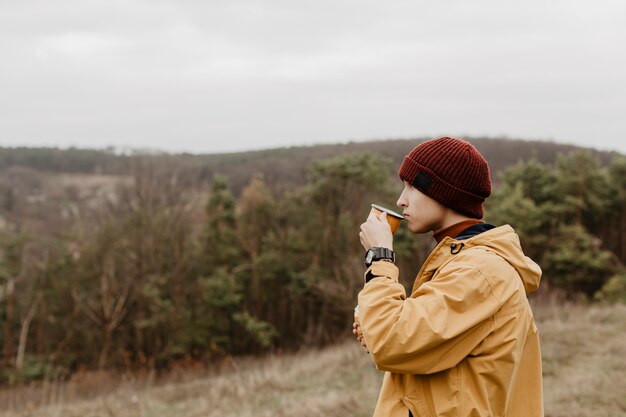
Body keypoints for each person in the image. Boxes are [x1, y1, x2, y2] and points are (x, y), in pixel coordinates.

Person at [354, 137, 543, 417]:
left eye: (413, 187)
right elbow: (423, 345)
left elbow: (392, 341)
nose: (401, 200)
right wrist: (374, 326)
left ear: (446, 194)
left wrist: (380, 256)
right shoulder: (461, 261)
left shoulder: (478, 272)